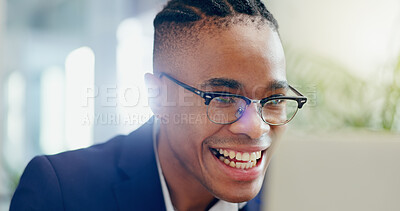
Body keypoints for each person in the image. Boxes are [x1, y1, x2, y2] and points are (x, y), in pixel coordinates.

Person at [10, 0, 307, 210]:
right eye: (224, 98)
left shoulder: (278, 192)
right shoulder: (61, 192)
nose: (256, 128)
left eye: (273, 99)